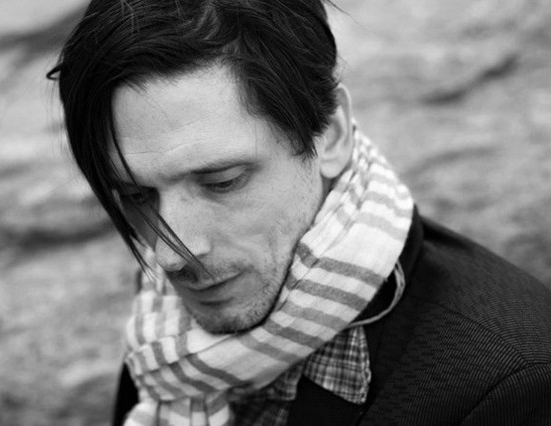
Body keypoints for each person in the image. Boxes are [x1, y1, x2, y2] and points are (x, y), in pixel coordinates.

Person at [47, 0, 551, 424]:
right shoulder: (161, 325)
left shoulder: (509, 386)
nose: (171, 255)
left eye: (222, 182)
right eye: (135, 196)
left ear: (330, 134)